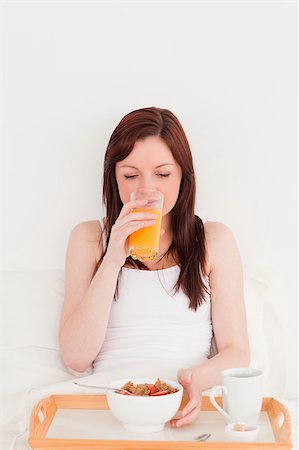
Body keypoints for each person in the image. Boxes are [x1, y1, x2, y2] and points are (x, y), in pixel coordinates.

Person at [59, 107, 250, 428]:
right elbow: (76, 358)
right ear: (114, 178)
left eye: (162, 174)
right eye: (130, 176)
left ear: (183, 177)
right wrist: (113, 258)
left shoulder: (214, 240)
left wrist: (193, 381)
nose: (145, 190)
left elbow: (237, 352)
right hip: (108, 402)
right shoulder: (88, 238)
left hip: (181, 399)